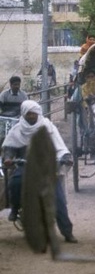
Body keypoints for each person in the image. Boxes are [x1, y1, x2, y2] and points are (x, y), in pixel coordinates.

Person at [2, 100, 77, 243]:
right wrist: (8, 158)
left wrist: (66, 157)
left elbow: (60, 146)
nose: (31, 117)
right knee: (15, 182)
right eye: (28, 114)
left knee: (58, 199)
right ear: (23, 114)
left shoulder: (48, 127)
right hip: (25, 166)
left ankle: (67, 232)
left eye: (34, 114)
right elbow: (9, 148)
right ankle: (15, 207)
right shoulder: (17, 130)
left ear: (39, 114)